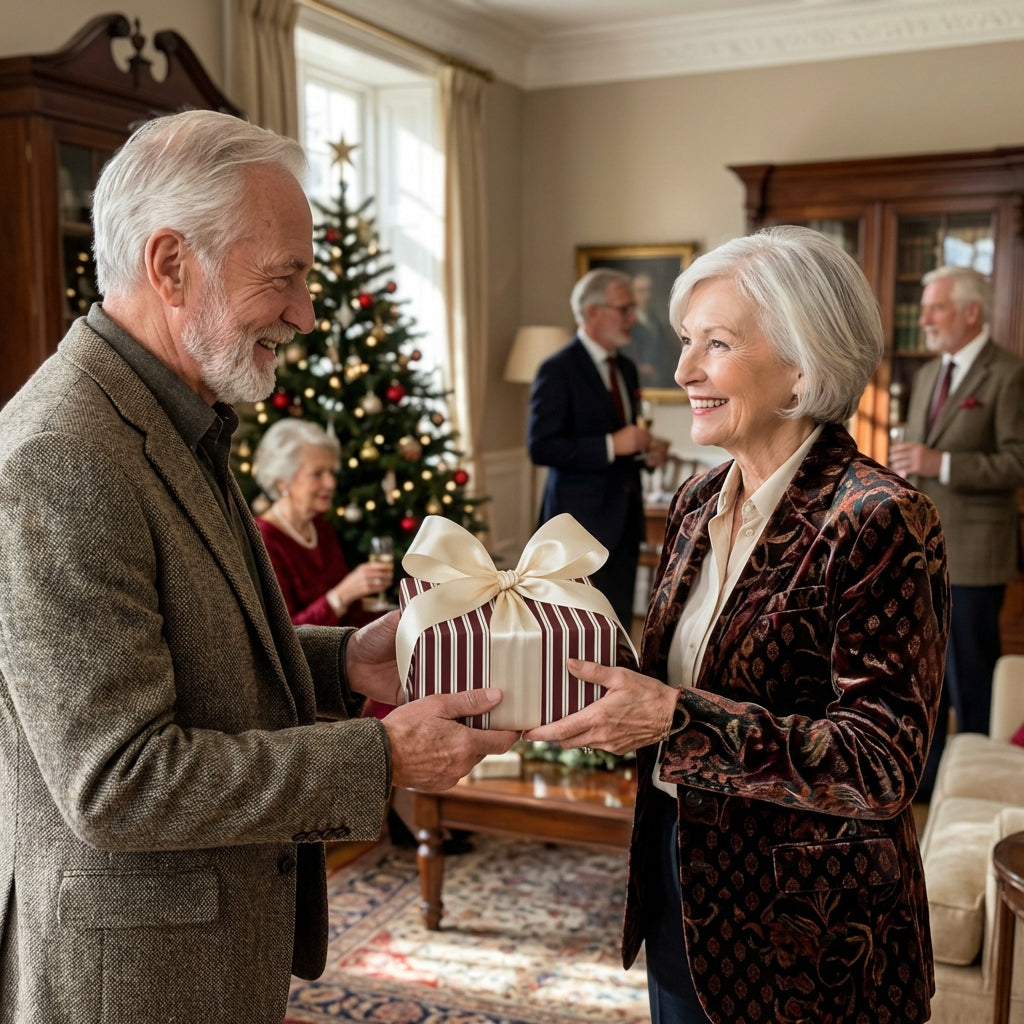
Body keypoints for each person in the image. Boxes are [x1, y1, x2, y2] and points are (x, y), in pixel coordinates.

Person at [0, 109, 517, 1024]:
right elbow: (118, 781)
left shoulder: (172, 410)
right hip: (132, 983)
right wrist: (383, 755)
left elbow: (196, 653)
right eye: (282, 278)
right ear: (170, 265)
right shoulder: (63, 453)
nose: (306, 315)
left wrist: (348, 658)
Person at [526, 225, 950, 1023]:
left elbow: (883, 762)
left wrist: (672, 718)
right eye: (688, 342)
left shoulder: (880, 518)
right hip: (677, 879)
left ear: (803, 364)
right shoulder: (695, 502)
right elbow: (682, 677)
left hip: (809, 932)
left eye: (715, 344)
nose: (683, 370)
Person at [890, 265, 1024, 797]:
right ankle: (927, 777)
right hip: (919, 551)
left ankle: (972, 779)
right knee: (922, 673)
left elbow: (1018, 461)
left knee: (970, 673)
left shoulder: (1010, 374)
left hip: (975, 553)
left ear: (971, 312)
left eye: (936, 307)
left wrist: (939, 462)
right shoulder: (925, 375)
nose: (924, 318)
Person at [528, 267, 668, 629]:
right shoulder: (557, 369)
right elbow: (541, 447)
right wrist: (611, 444)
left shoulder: (626, 369)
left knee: (617, 626)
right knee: (576, 629)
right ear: (593, 312)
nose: (632, 318)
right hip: (577, 526)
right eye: (624, 309)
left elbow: (627, 439)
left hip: (625, 521)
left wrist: (646, 453)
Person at [253, 418, 392, 627]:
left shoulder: (321, 527)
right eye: (318, 474)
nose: (330, 483)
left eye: (331, 472)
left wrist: (398, 617)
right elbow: (286, 634)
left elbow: (351, 617)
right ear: (283, 480)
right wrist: (343, 594)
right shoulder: (262, 539)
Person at [621, 271, 678, 388]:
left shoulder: (656, 320)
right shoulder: (623, 322)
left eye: (650, 290)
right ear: (631, 293)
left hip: (661, 381)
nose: (647, 296)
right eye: (641, 291)